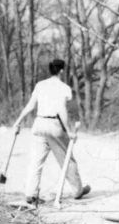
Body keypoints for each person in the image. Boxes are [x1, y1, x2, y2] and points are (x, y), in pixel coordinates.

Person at [12, 58, 91, 206]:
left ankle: (30, 194)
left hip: (38, 124)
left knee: (36, 161)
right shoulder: (64, 88)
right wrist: (69, 131)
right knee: (67, 159)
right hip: (54, 125)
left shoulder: (40, 85)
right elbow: (62, 110)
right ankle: (77, 191)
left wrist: (18, 122)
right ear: (61, 70)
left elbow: (30, 105)